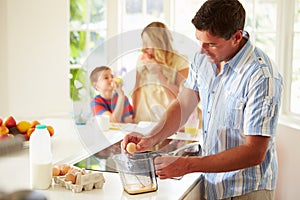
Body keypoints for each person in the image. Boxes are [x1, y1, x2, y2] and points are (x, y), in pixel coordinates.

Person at [122, 0, 283, 199]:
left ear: (237, 37)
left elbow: (254, 152)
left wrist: (187, 165)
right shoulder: (203, 59)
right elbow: (183, 104)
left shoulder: (261, 76)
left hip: (247, 190)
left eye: (211, 44)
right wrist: (151, 137)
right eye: (199, 41)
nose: (201, 50)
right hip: (212, 186)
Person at [132, 21, 190, 122]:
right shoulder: (141, 60)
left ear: (159, 42)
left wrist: (159, 74)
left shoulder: (180, 62)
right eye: (143, 42)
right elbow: (136, 90)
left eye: (147, 42)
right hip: (143, 119)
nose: (144, 47)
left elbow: (182, 100)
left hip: (169, 121)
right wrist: (133, 116)